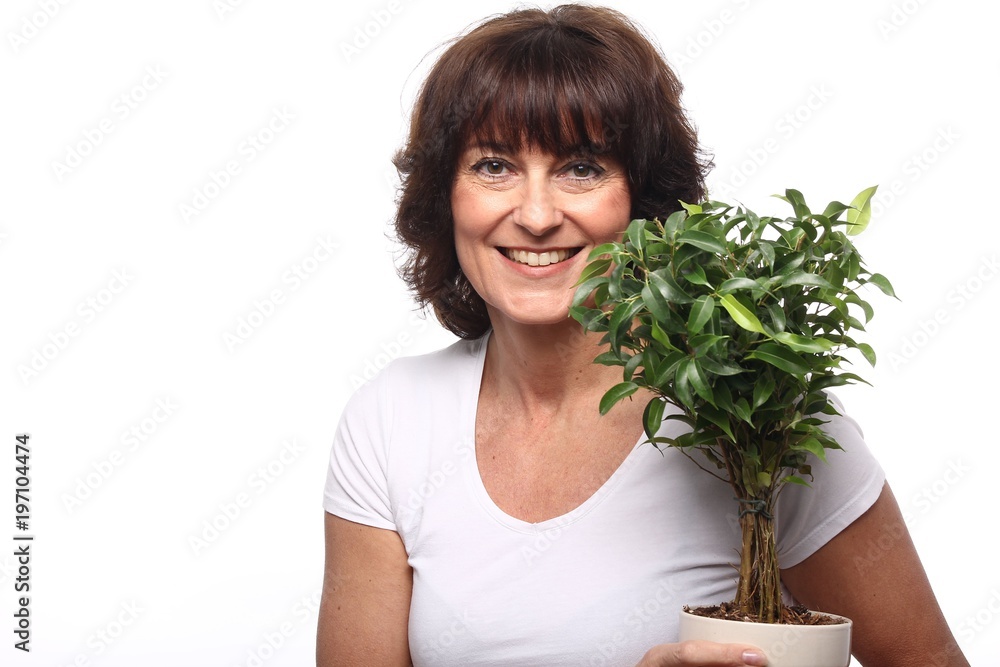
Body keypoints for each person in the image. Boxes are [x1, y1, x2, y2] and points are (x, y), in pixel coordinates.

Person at [317, 5, 969, 666]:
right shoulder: (391, 421)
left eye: (581, 167)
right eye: (493, 166)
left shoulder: (758, 411)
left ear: (645, 201)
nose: (537, 215)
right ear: (444, 196)